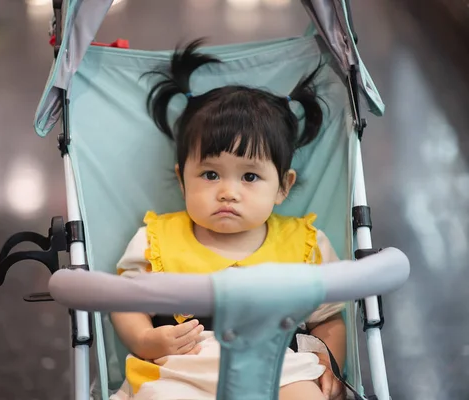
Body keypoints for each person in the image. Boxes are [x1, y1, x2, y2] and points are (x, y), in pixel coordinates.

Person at [110, 39, 347, 400]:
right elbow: (126, 302)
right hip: (183, 369)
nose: (228, 192)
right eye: (210, 175)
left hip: (279, 367)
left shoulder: (305, 245)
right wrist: (145, 338)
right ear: (181, 179)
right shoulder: (158, 239)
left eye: (249, 177)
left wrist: (330, 364)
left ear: (283, 186)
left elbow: (327, 318)